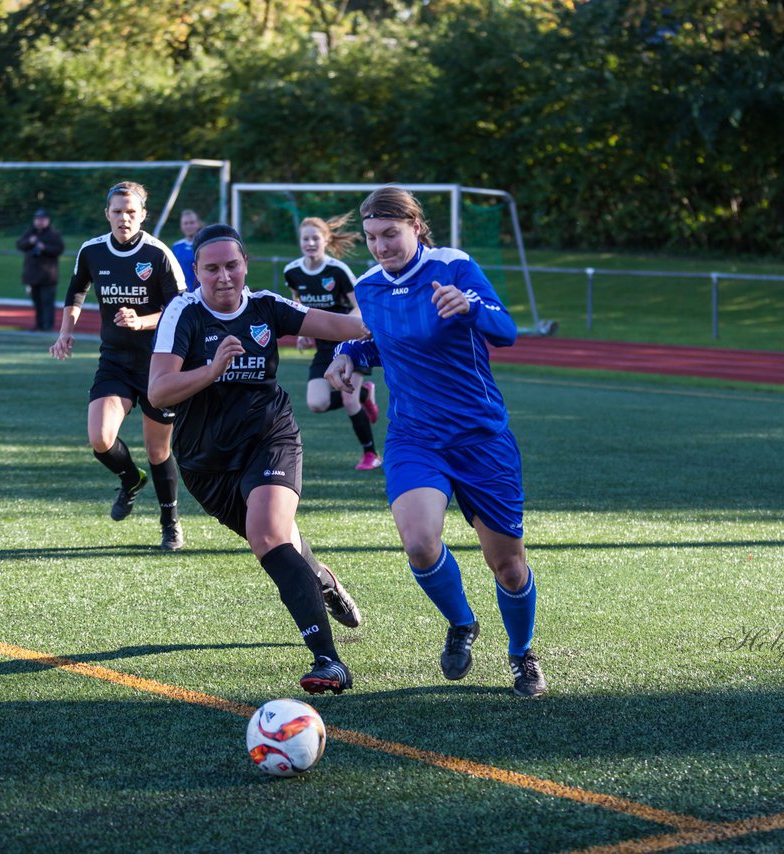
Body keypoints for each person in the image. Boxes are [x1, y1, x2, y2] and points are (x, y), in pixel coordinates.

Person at [325, 186, 547, 698]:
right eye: (373, 237)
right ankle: (462, 623)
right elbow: (384, 341)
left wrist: (468, 307)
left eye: (391, 235)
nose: (381, 246)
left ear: (416, 228)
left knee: (509, 567)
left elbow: (506, 331)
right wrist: (350, 355)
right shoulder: (369, 286)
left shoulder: (454, 266)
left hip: (480, 437)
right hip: (415, 437)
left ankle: (522, 655)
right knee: (420, 543)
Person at [149, 223, 368, 694]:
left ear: (246, 265)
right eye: (212, 268)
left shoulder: (267, 306)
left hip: (270, 437)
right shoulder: (182, 313)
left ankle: (328, 661)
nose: (224, 276)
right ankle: (323, 581)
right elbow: (159, 389)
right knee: (277, 542)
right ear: (196, 272)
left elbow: (343, 325)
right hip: (205, 462)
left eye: (232, 265)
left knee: (267, 532)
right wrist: (211, 370)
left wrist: (399, 305)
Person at [49, 181, 187, 551]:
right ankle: (130, 479)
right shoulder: (92, 251)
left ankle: (170, 522)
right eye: (117, 211)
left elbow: (181, 309)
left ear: (143, 215)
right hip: (114, 360)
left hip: (159, 363)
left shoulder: (158, 254)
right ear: (106, 213)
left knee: (158, 450)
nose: (124, 218)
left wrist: (142, 321)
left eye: (131, 212)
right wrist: (66, 333)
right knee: (101, 439)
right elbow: (76, 289)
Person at [284, 214, 383, 471]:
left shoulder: (337, 271)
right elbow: (299, 305)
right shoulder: (292, 271)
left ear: (326, 240)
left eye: (315, 238)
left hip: (351, 342)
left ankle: (371, 454)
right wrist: (303, 332)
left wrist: (345, 329)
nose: (310, 243)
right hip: (324, 345)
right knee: (317, 404)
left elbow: (359, 307)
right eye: (305, 238)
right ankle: (365, 394)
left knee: (349, 402)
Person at [16, 209, 65, 332]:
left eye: (42, 219)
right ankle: (38, 325)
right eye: (37, 219)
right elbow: (19, 244)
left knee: (47, 302)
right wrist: (29, 241)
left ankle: (47, 326)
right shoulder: (30, 233)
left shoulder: (53, 234)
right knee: (37, 302)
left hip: (47, 276)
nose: (39, 222)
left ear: (47, 220)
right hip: (32, 275)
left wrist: (45, 248)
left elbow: (59, 249)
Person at [170, 209, 203, 291]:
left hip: (202, 293)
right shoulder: (176, 247)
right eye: (185, 223)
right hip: (183, 293)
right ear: (181, 226)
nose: (189, 226)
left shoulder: (204, 245)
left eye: (192, 223)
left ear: (198, 224)